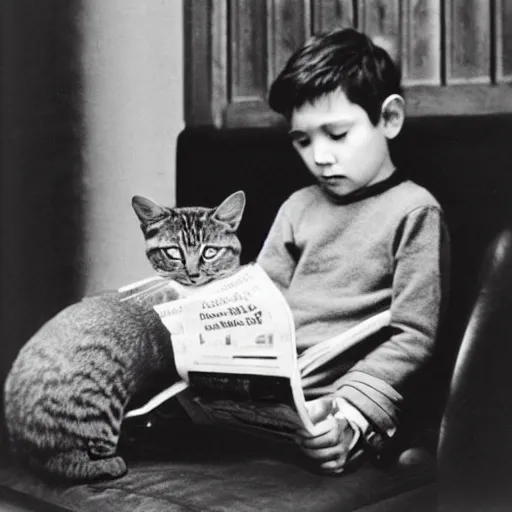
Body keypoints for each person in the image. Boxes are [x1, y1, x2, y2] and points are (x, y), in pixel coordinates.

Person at [256, 28, 450, 475]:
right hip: (280, 385)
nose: (320, 157)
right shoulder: (298, 206)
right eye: (302, 141)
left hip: (354, 386)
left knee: (350, 426)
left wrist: (348, 410)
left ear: (390, 119)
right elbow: (260, 302)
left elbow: (413, 336)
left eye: (337, 134)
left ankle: (357, 437)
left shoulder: (415, 210)